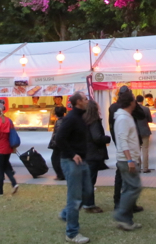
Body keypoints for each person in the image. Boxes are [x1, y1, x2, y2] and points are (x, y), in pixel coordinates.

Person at [56, 91, 92, 244]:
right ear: (78, 102)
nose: (87, 101)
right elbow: (59, 138)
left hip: (82, 161)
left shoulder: (80, 117)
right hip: (71, 162)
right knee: (75, 198)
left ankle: (66, 214)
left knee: (87, 192)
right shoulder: (71, 118)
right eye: (85, 99)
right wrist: (72, 154)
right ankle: (71, 233)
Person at [109, 86, 146, 212]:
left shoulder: (117, 109)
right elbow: (142, 116)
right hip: (125, 145)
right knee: (126, 177)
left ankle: (122, 203)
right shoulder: (122, 112)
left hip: (124, 143)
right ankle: (121, 206)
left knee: (126, 178)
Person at [82, 100, 109, 214]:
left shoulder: (83, 120)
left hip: (85, 153)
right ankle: (89, 204)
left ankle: (86, 202)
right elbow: (97, 137)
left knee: (87, 180)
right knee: (90, 181)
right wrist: (107, 138)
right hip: (92, 154)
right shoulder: (94, 122)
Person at [0, 106, 19, 196]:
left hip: (0, 148)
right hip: (8, 147)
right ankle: (14, 183)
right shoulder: (8, 121)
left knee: (0, 170)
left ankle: (0, 191)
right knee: (6, 166)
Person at [135, 95, 152, 173]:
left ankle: (138, 168)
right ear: (143, 100)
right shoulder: (146, 109)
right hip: (145, 130)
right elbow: (150, 120)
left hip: (136, 132)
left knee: (137, 150)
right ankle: (145, 168)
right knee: (145, 150)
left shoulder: (133, 109)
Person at [49, 106, 67, 180]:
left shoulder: (59, 122)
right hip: (62, 143)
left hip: (58, 144)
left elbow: (58, 134)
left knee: (55, 159)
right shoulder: (65, 120)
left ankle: (60, 174)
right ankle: (62, 174)